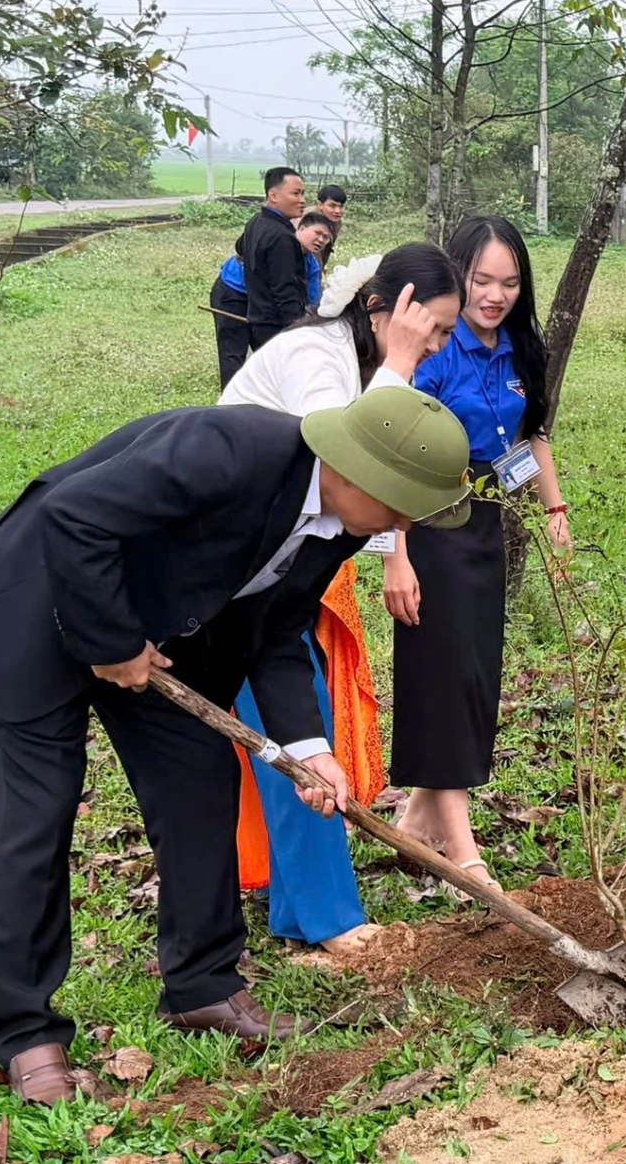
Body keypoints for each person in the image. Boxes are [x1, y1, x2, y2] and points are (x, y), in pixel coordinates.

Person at [0, 384, 472, 1104]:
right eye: (398, 507)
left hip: (157, 632)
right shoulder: (228, 451)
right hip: (36, 606)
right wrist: (110, 642)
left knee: (200, 776)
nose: (397, 526)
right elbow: (73, 517)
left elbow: (278, 626)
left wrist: (310, 747)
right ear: (358, 474)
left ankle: (202, 983)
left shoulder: (346, 521)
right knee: (38, 815)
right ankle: (27, 1032)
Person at [219, 245, 462, 953]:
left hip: (279, 575)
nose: (437, 347)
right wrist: (403, 360)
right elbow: (351, 459)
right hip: (231, 579)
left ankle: (307, 908)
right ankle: (324, 918)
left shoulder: (360, 363)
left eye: (443, 335)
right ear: (381, 308)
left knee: (304, 731)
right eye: (432, 330)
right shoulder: (314, 357)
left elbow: (380, 488)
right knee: (296, 733)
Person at [389, 215, 572, 891]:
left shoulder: (522, 350)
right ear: (459, 274)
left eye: (511, 282)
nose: (495, 295)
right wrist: (394, 554)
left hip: (488, 525)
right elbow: (393, 467)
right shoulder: (433, 353)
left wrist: (553, 510)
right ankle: (464, 854)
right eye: (482, 280)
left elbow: (527, 440)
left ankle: (415, 823)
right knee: (445, 680)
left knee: (474, 678)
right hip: (430, 526)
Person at [222, 166, 310, 385]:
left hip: (257, 319)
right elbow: (285, 289)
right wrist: (297, 330)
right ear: (273, 195)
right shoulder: (282, 237)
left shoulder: (256, 222)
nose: (302, 200)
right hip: (276, 326)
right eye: (296, 193)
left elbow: (240, 247)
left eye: (303, 193)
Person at [212, 215, 333, 359]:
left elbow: (312, 303)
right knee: (233, 355)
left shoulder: (311, 265)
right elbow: (242, 249)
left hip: (265, 304)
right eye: (317, 233)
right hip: (235, 291)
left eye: (325, 237)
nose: (321, 240)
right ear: (301, 228)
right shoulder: (276, 239)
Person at [311, 184, 347, 267]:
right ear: (320, 205)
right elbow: (313, 253)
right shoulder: (311, 222)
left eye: (341, 206)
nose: (338, 211)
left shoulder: (337, 222)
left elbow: (328, 247)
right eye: (332, 206)